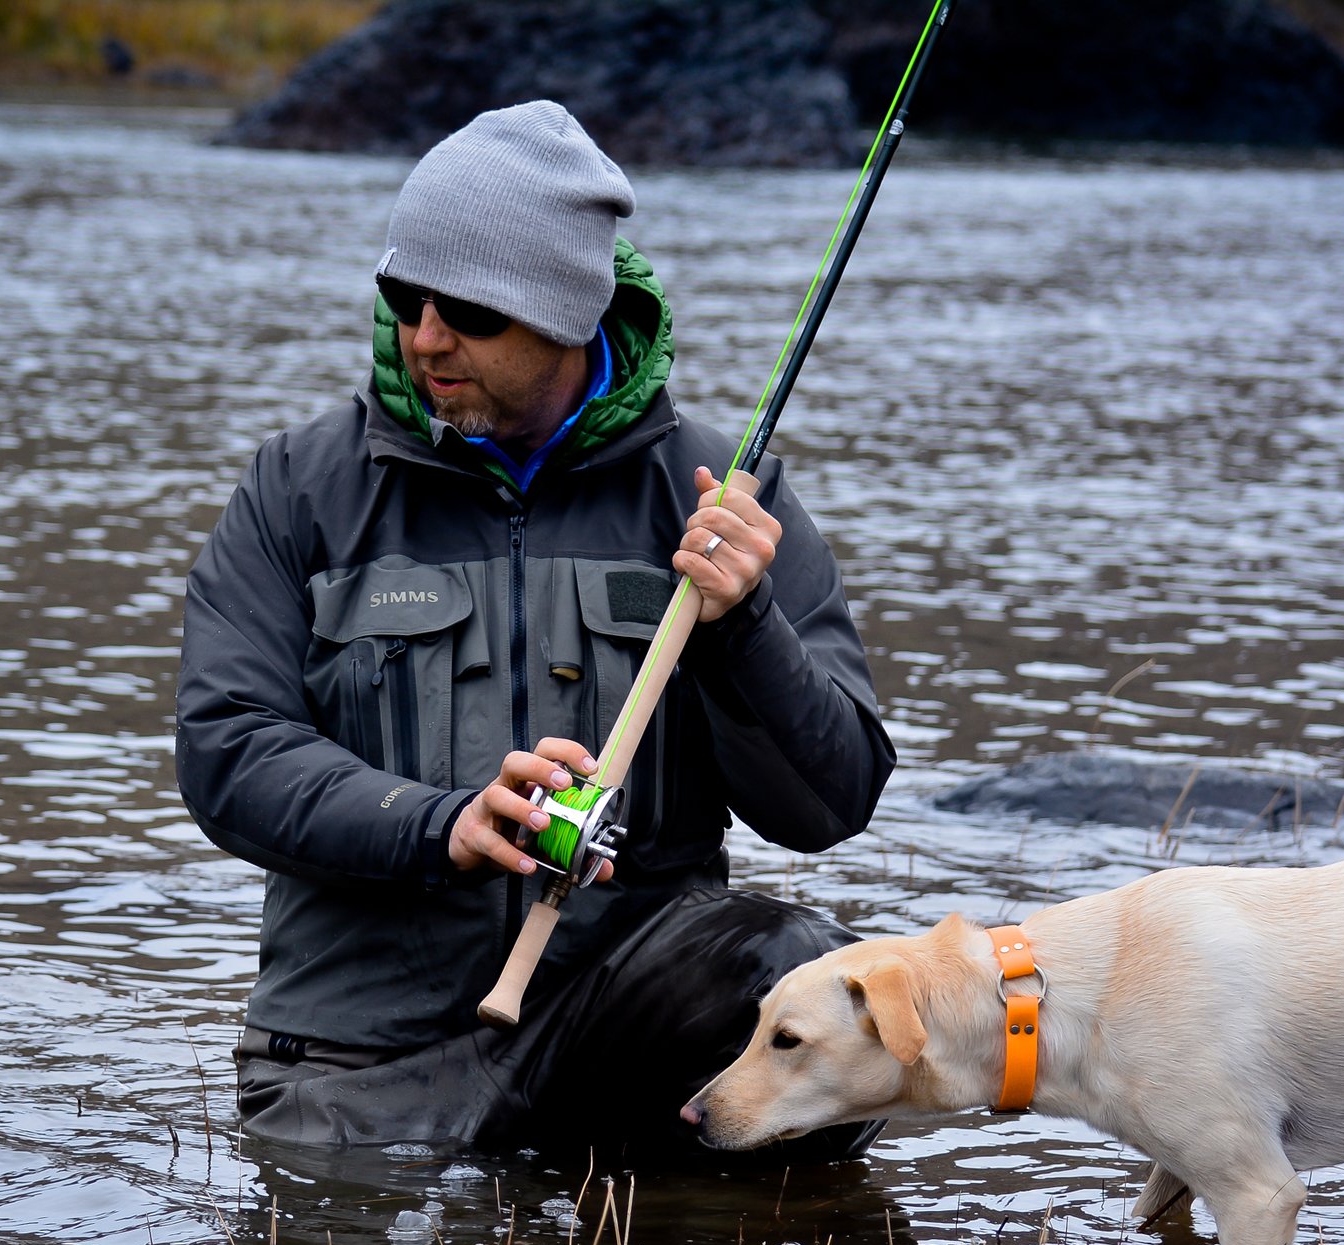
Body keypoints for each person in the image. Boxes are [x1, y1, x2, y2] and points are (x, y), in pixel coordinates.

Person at [176, 101, 894, 1152]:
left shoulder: (727, 501)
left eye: (466, 311)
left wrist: (745, 627)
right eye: (404, 297)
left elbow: (830, 800)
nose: (424, 338)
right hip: (351, 1067)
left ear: (566, 314)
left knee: (828, 996)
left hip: (622, 1051)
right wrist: (441, 824)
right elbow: (226, 751)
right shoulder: (300, 488)